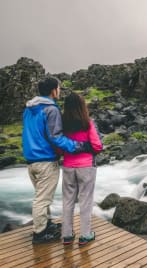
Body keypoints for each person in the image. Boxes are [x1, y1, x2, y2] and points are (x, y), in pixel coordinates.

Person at [22, 77, 91, 244]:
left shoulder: (28, 109)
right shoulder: (51, 110)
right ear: (53, 90)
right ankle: (39, 234)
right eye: (59, 88)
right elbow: (56, 138)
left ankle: (46, 225)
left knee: (42, 195)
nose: (59, 91)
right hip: (45, 160)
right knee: (43, 199)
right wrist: (80, 146)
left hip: (31, 160)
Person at [61, 92, 102, 246]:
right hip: (86, 167)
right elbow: (97, 146)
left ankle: (67, 235)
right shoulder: (87, 123)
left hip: (68, 167)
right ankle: (85, 235)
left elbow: (59, 145)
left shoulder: (63, 124)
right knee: (85, 201)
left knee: (67, 201)